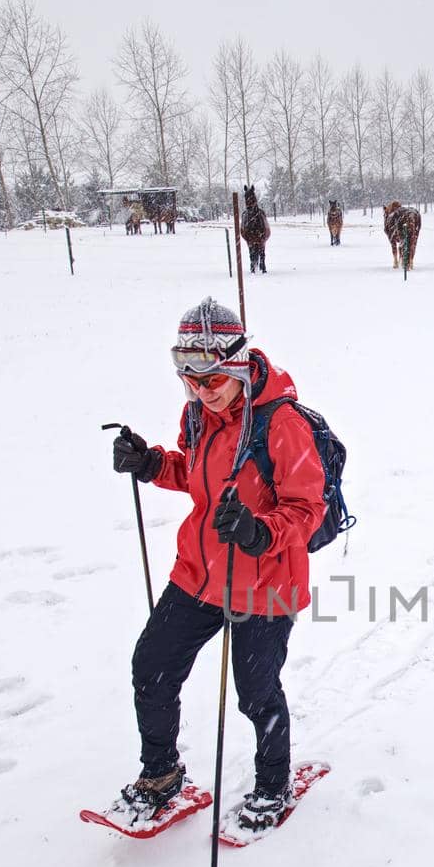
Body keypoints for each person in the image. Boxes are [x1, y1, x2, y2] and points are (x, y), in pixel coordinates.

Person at [110, 297, 325, 832]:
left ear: (235, 366)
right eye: (188, 379)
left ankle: (274, 786)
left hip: (267, 580)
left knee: (256, 694)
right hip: (199, 573)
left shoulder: (282, 423)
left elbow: (308, 507)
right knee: (151, 668)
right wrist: (154, 463)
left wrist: (259, 531)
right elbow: (198, 476)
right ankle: (162, 778)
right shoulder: (198, 416)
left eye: (209, 380)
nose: (199, 391)